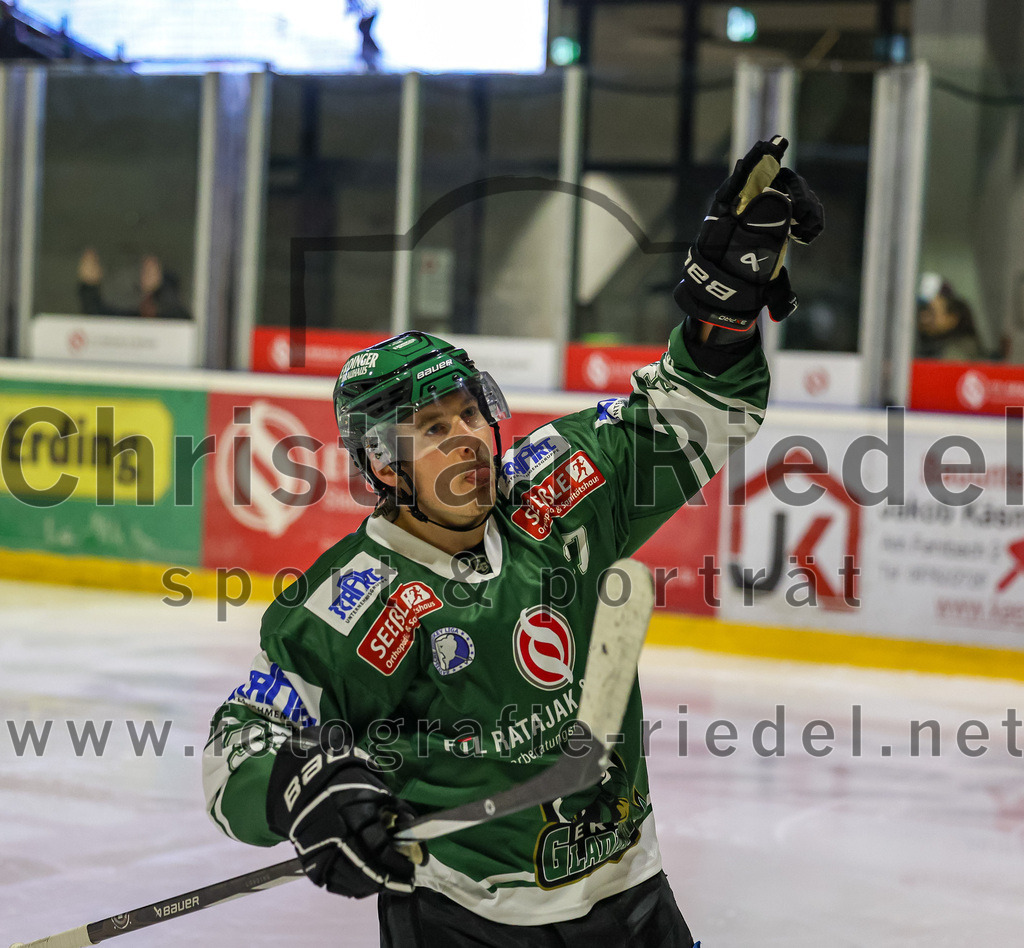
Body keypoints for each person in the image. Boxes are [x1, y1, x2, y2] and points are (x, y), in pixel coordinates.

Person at [202, 138, 823, 946]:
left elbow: (690, 409)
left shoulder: (553, 494)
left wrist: (722, 317)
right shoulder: (353, 601)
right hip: (466, 918)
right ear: (384, 463)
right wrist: (296, 788)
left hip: (631, 891)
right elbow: (239, 744)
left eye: (468, 413)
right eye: (433, 428)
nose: (467, 438)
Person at [77, 247, 191, 320]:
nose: (148, 273)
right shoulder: (123, 307)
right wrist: (89, 287)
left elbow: (181, 324)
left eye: (152, 269)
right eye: (144, 269)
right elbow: (99, 320)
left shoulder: (170, 308)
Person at [915, 272, 981, 360]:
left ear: (952, 317)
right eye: (920, 310)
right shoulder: (917, 343)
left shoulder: (957, 354)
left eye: (931, 312)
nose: (923, 318)